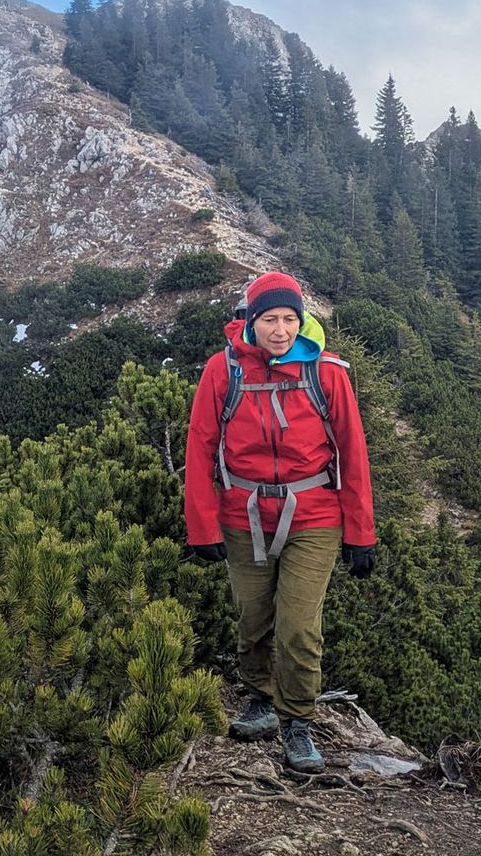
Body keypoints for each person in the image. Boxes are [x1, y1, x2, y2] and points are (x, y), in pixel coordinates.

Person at [183, 270, 376, 773]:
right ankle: (261, 700)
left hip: (314, 516)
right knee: (252, 618)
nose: (281, 329)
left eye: (290, 318)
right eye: (270, 319)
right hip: (243, 515)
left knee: (298, 627)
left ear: (301, 320)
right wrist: (202, 526)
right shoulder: (222, 371)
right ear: (251, 321)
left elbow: (353, 453)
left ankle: (297, 721)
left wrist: (361, 533)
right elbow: (200, 446)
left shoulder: (326, 372)